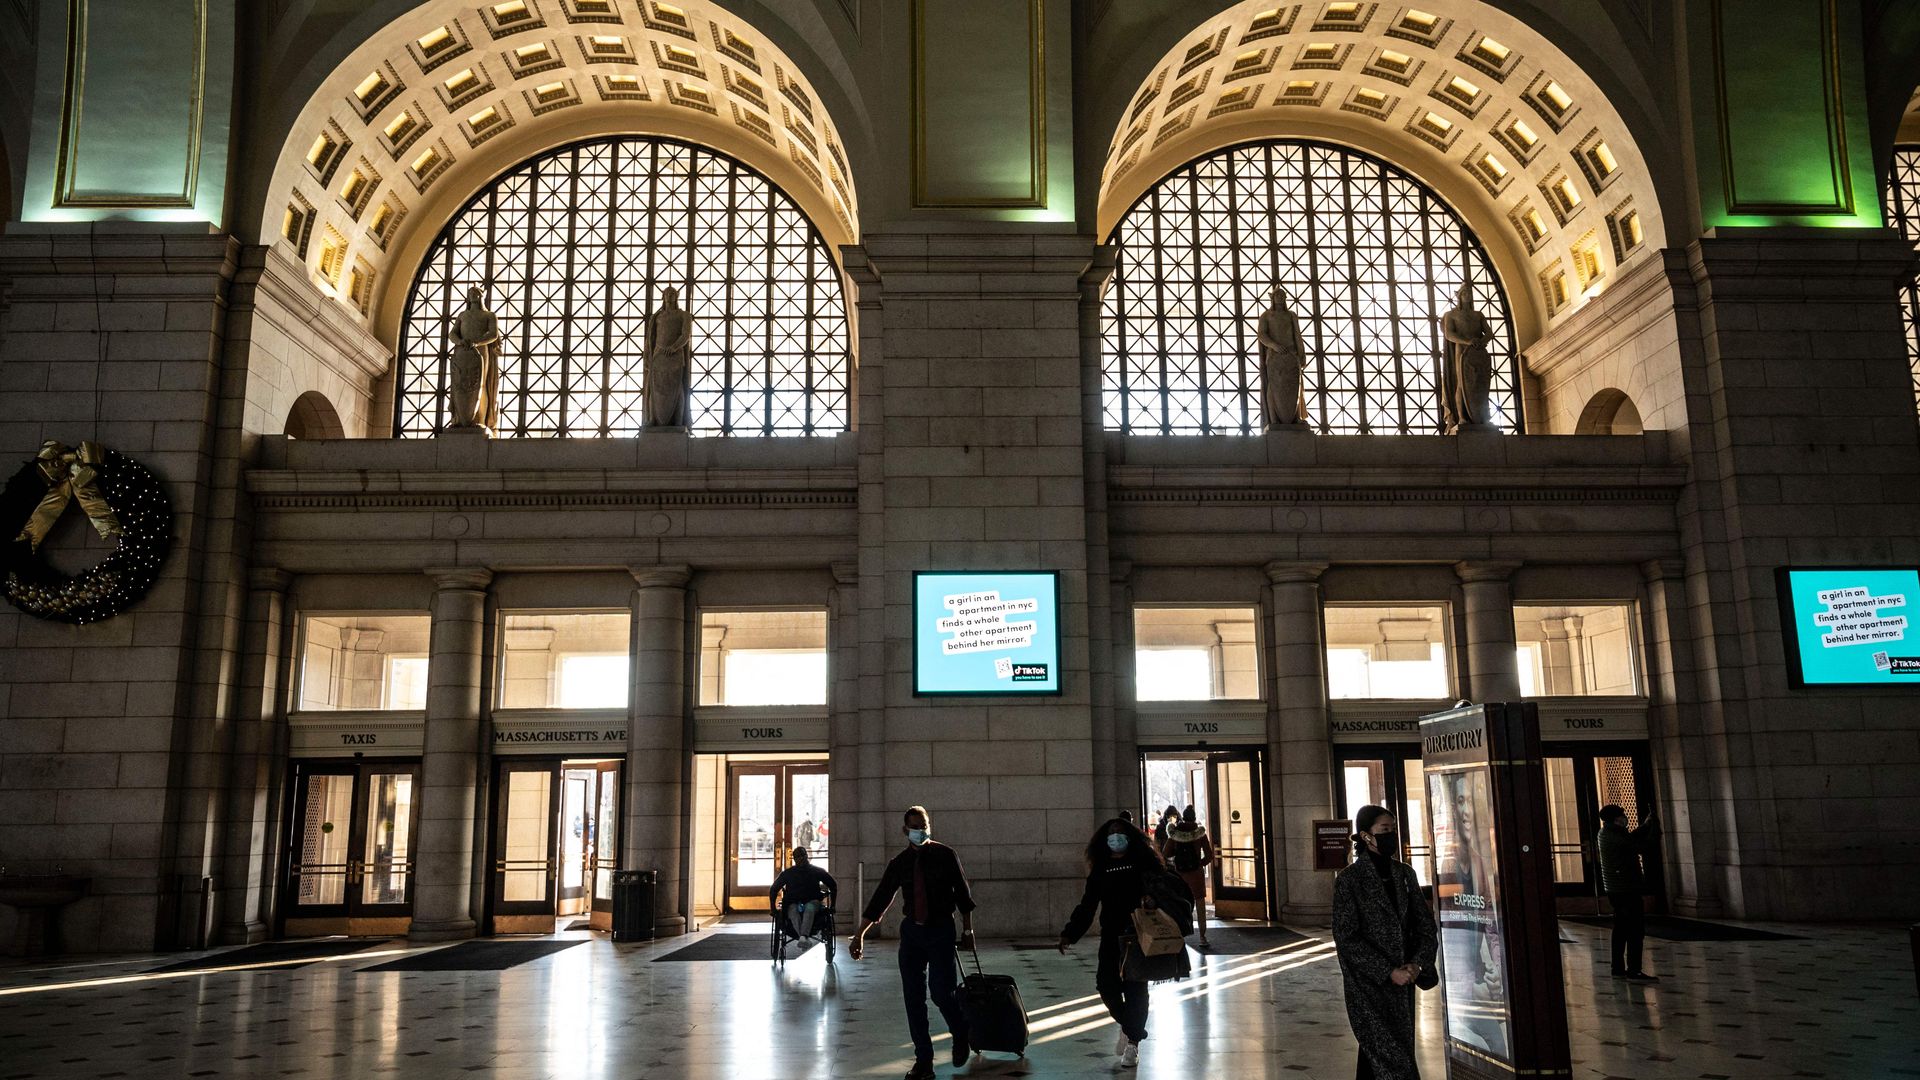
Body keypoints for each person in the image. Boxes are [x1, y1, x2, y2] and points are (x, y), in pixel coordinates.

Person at [850, 806, 977, 1080]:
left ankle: (960, 1031)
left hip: (940, 930)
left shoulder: (945, 855)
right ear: (905, 830)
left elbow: (963, 895)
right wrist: (860, 934)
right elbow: (881, 898)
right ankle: (924, 1060)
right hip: (912, 935)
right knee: (913, 999)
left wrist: (968, 930)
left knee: (942, 992)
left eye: (924, 826)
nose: (921, 831)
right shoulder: (900, 863)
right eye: (915, 827)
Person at [1333, 805, 1438, 1080]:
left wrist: (1417, 964)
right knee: (1392, 1058)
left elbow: (1425, 926)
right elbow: (1346, 937)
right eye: (1384, 830)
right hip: (1369, 986)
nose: (1391, 835)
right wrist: (1387, 971)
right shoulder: (1349, 880)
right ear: (1366, 836)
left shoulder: (1405, 874)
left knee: (1386, 1054)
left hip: (1404, 983)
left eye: (1393, 829)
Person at [1057, 818, 1168, 1069]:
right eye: (1111, 833)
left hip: (1139, 936)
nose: (1115, 837)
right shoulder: (1101, 867)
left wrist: (1152, 900)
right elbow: (1088, 904)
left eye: (1120, 832)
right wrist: (1070, 933)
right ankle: (1132, 1028)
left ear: (1130, 836)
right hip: (1111, 936)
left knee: (1136, 989)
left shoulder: (1144, 863)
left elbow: (1164, 890)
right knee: (1106, 985)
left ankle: (1132, 1045)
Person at [1597, 804, 1659, 980]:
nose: (1625, 818)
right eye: (1622, 815)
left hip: (1616, 889)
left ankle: (1618, 967)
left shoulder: (1607, 833)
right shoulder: (1614, 836)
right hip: (1625, 889)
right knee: (1635, 930)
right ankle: (1634, 969)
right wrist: (1654, 830)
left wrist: (1645, 825)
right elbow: (1641, 846)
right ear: (1616, 819)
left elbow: (1630, 838)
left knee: (1621, 929)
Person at [1162, 806, 1214, 945]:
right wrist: (1199, 863)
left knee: (1179, 904)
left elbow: (1165, 853)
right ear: (1194, 818)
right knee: (1200, 903)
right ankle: (1202, 936)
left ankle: (1179, 934)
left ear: (1183, 818)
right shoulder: (1200, 834)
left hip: (1180, 874)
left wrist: (1176, 856)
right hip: (1196, 874)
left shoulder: (1175, 834)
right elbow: (1209, 855)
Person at [768, 845, 836, 938]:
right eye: (798, 857)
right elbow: (774, 889)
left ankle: (802, 937)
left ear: (806, 856)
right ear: (794, 859)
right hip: (793, 902)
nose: (801, 858)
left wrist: (833, 905)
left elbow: (832, 885)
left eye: (802, 856)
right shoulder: (788, 873)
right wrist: (772, 908)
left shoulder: (816, 871)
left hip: (812, 901)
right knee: (794, 911)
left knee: (809, 909)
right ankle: (803, 937)